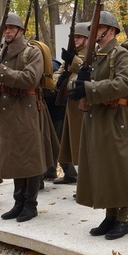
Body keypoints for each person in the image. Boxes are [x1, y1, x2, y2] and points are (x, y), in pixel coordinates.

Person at [69, 11, 128, 239]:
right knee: (105, 169)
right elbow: (80, 82)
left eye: (99, 26)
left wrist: (90, 88)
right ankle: (110, 215)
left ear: (110, 30)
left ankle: (123, 218)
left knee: (120, 168)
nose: (94, 30)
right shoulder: (93, 55)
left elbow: (124, 84)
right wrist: (80, 80)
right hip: (96, 119)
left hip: (115, 119)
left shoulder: (120, 54)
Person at [0, 13, 47, 223]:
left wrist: (0, 70)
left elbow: (30, 79)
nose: (7, 31)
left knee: (29, 158)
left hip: (25, 111)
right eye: (4, 28)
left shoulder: (32, 52)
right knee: (15, 158)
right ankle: (18, 202)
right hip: (7, 112)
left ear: (20, 30)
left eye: (11, 27)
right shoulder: (1, 53)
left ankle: (30, 204)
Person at [57, 22, 90, 188]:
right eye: (73, 37)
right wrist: (58, 79)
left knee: (85, 149)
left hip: (84, 106)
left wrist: (73, 60)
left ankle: (88, 184)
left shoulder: (91, 53)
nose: (75, 40)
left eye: (79, 37)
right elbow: (59, 75)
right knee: (75, 149)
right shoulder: (72, 56)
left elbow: (89, 70)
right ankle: (82, 183)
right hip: (71, 106)